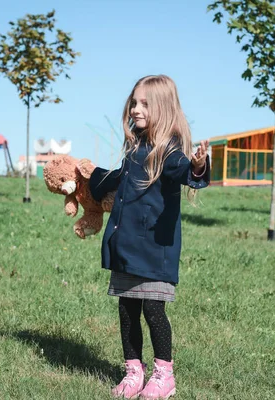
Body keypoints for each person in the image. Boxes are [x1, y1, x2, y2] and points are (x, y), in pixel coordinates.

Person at [88, 75, 210, 399]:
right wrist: (90, 179)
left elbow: (186, 171)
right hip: (127, 246)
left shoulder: (168, 151)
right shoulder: (135, 146)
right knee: (127, 310)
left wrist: (198, 167)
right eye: (134, 102)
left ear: (163, 108)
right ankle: (133, 372)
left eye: (145, 104)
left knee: (154, 312)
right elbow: (119, 181)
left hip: (155, 250)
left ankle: (163, 375)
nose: (136, 109)